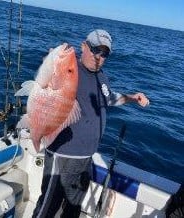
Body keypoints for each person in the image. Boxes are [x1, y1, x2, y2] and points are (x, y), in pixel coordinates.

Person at [32, 29, 150, 218]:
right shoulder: (71, 69)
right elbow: (46, 82)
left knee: (73, 207)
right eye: (96, 50)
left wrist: (133, 98)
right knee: (47, 208)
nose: (99, 57)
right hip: (62, 154)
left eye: (105, 53)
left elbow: (109, 98)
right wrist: (51, 60)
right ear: (84, 46)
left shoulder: (101, 77)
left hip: (85, 158)